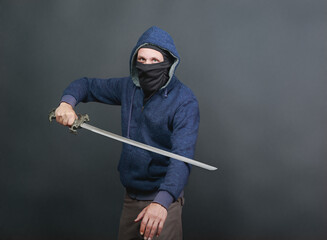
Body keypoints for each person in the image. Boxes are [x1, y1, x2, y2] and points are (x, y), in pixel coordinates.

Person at [55, 26, 200, 240]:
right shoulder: (129, 88)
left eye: (154, 60)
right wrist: (66, 103)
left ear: (168, 62)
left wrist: (162, 201)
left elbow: (182, 159)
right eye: (142, 60)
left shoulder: (184, 101)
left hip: (163, 203)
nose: (147, 66)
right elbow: (86, 85)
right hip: (131, 198)